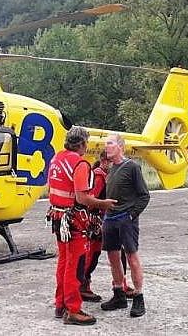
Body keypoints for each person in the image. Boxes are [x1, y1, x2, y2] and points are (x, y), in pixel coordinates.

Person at [48, 126, 115, 326]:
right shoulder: (80, 164)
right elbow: (82, 197)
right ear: (83, 143)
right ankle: (73, 309)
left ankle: (60, 304)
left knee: (63, 261)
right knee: (75, 264)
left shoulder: (56, 159)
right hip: (74, 219)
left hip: (58, 217)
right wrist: (104, 204)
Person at [100, 133, 150, 318]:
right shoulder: (111, 169)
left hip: (125, 220)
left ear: (120, 146)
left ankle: (138, 296)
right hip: (110, 219)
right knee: (113, 257)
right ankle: (119, 294)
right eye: (106, 144)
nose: (106, 147)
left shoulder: (132, 167)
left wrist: (131, 215)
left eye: (110, 143)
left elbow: (144, 195)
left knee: (132, 257)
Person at [79, 151, 112, 302]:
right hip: (95, 222)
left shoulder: (100, 174)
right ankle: (82, 286)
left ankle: (84, 285)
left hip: (97, 220)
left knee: (94, 254)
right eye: (110, 161)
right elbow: (91, 200)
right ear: (104, 161)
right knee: (91, 255)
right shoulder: (99, 176)